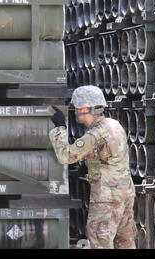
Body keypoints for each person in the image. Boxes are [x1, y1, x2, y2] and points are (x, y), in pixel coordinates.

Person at [49, 85, 137, 249]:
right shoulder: (114, 125)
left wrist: (59, 128)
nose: (75, 111)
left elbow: (66, 156)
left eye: (76, 108)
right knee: (125, 242)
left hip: (107, 198)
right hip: (125, 194)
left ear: (84, 108)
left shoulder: (95, 135)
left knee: (99, 241)